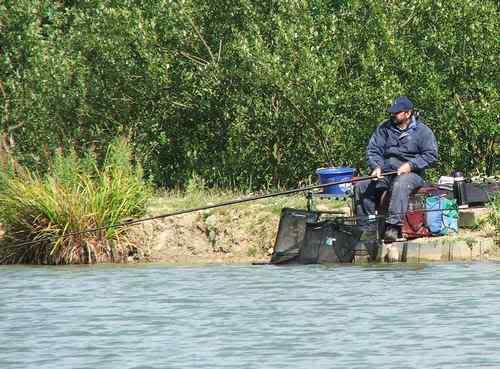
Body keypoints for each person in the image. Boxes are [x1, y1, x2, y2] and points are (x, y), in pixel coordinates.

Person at [355, 96, 438, 242]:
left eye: (397, 112)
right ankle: (367, 227)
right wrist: (376, 167)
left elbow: (431, 155)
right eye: (392, 112)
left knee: (400, 183)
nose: (393, 115)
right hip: (386, 172)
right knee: (361, 185)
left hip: (413, 175)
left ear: (408, 113)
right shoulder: (384, 128)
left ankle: (393, 226)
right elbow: (373, 150)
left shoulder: (423, 132)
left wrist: (410, 165)